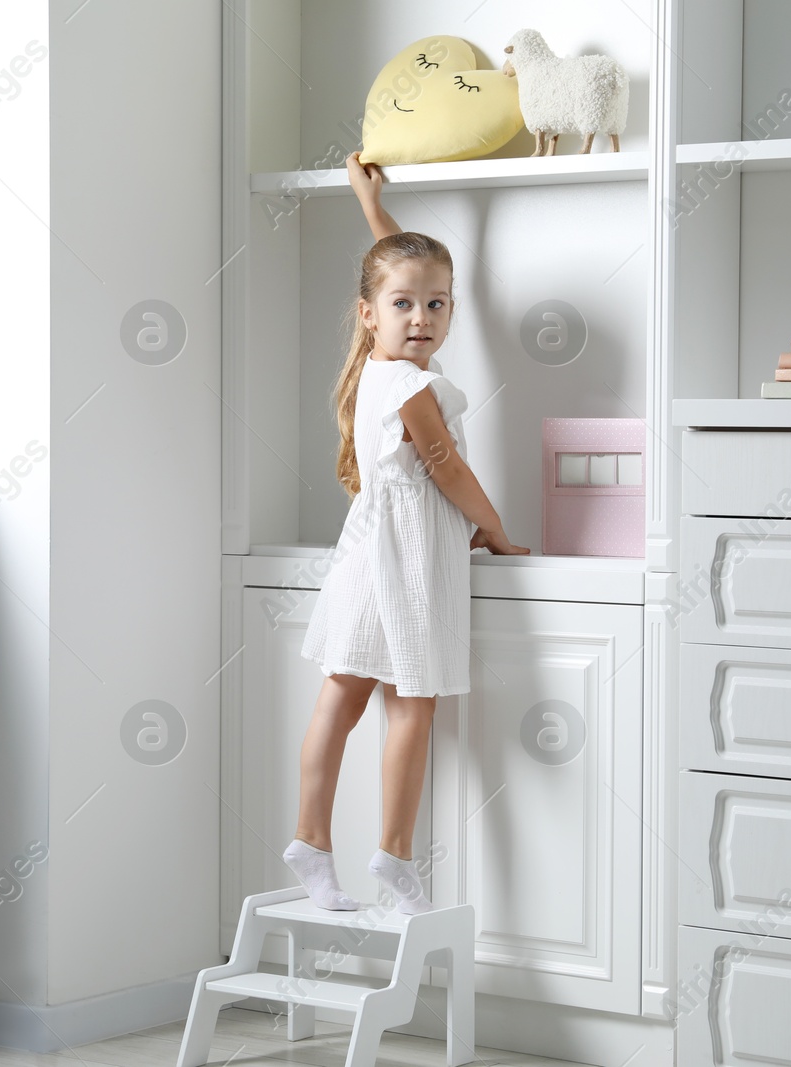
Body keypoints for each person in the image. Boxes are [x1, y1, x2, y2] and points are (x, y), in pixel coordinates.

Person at [284, 151, 530, 915]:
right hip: (406, 560)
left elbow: (395, 267)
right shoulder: (412, 385)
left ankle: (312, 844)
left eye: (438, 305)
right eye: (405, 307)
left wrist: (371, 205)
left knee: (341, 699)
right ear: (369, 313)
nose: (421, 318)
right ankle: (394, 856)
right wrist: (497, 531)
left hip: (371, 552)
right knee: (408, 707)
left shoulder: (380, 364)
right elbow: (447, 470)